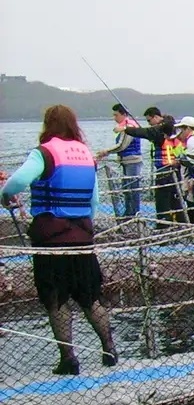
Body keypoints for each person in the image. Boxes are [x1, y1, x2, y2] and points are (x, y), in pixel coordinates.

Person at [1, 105, 117, 375]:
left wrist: (5, 196)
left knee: (57, 298)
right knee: (91, 296)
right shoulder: (86, 154)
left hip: (51, 238)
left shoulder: (44, 152)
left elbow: (18, 181)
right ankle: (109, 347)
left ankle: (69, 358)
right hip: (82, 237)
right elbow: (94, 200)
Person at [118, 108, 184, 226]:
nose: (149, 123)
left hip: (165, 169)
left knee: (162, 200)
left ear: (156, 117)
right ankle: (180, 222)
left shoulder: (160, 131)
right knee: (176, 199)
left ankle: (163, 225)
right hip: (174, 169)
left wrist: (125, 129)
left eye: (149, 120)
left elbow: (145, 132)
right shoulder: (172, 128)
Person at [96, 104, 144, 218]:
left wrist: (105, 151)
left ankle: (133, 214)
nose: (114, 118)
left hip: (133, 161)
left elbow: (122, 145)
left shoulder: (129, 127)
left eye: (116, 115)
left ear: (124, 114)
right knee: (127, 189)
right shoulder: (124, 127)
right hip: (126, 162)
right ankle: (129, 212)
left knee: (132, 189)